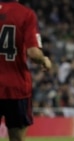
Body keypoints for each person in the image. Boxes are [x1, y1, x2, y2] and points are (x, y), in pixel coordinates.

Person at [0, 0, 52, 141]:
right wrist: (44, 60)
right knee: (16, 137)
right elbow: (33, 53)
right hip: (16, 88)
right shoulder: (25, 14)